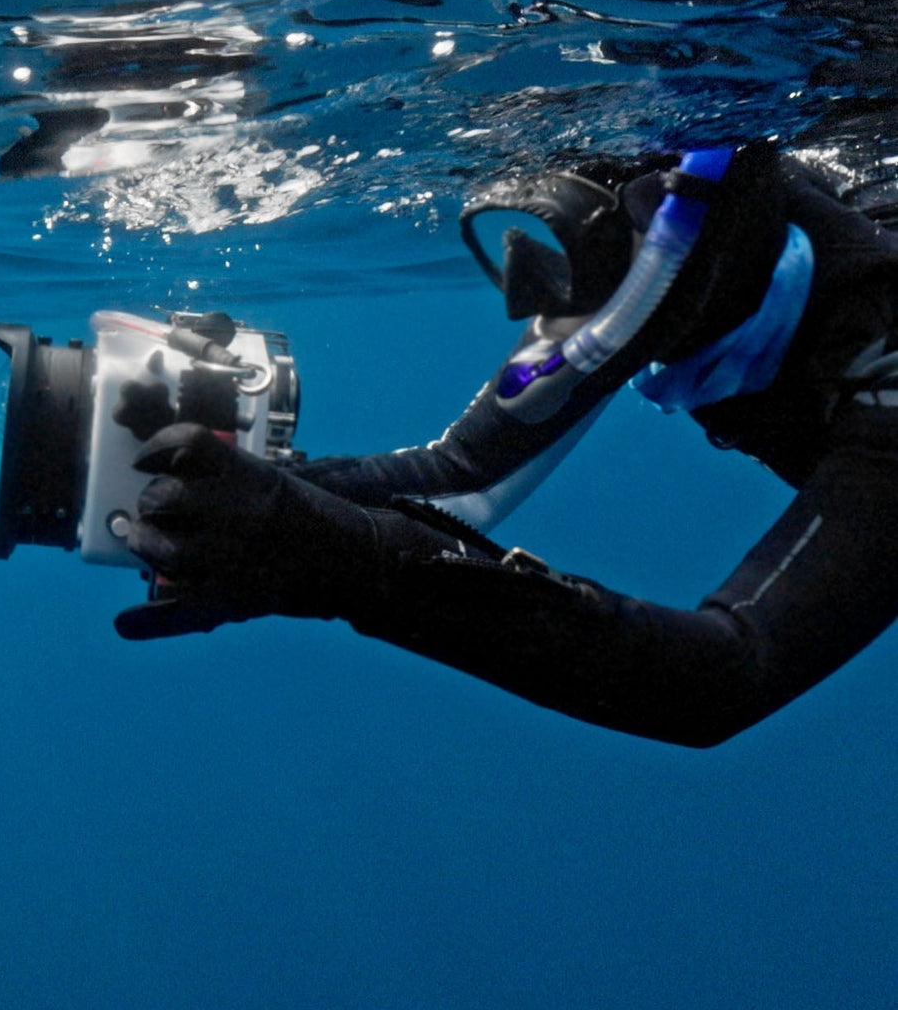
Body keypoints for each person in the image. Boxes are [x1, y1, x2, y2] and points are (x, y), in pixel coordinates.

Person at [112, 143, 898, 747]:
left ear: (686, 244)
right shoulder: (686, 268)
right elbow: (460, 472)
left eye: (573, 242)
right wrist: (249, 491)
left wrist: (342, 566)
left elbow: (722, 678)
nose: (534, 299)